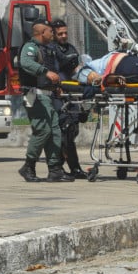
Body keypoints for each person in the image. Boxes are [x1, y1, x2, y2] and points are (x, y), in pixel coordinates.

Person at [17, 19, 74, 182]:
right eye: (50, 31)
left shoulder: (47, 49)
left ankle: (55, 169)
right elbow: (26, 62)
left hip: (48, 96)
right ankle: (28, 166)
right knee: (43, 131)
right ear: (42, 33)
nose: (53, 34)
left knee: (55, 132)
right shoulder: (30, 47)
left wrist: (56, 85)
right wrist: (45, 72)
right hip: (35, 96)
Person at [50, 19, 89, 179]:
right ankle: (61, 167)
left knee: (72, 129)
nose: (64, 36)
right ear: (53, 34)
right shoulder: (50, 50)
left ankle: (69, 167)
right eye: (60, 34)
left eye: (65, 33)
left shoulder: (70, 48)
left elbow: (76, 68)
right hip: (58, 94)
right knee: (64, 130)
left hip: (72, 93)